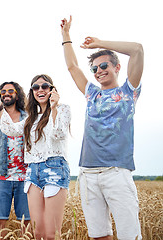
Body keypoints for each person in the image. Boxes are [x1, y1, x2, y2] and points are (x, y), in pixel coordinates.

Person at [61, 16, 144, 240]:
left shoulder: (129, 92)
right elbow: (72, 67)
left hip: (117, 172)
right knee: (99, 235)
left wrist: (100, 44)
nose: (98, 70)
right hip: (88, 172)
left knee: (129, 235)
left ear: (117, 67)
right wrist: (66, 35)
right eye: (95, 68)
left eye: (104, 65)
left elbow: (137, 49)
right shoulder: (92, 94)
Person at [0, 75, 71, 240]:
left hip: (54, 168)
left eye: (45, 86)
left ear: (52, 89)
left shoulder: (63, 109)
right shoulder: (31, 118)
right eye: (35, 87)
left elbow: (59, 134)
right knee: (37, 232)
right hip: (32, 171)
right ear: (31, 92)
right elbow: (9, 130)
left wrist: (53, 107)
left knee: (51, 233)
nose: (40, 90)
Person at [0, 81, 30, 238]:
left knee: (26, 221)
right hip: (2, 176)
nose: (7, 94)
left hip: (26, 176)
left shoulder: (28, 116)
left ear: (17, 94)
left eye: (11, 91)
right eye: (3, 91)